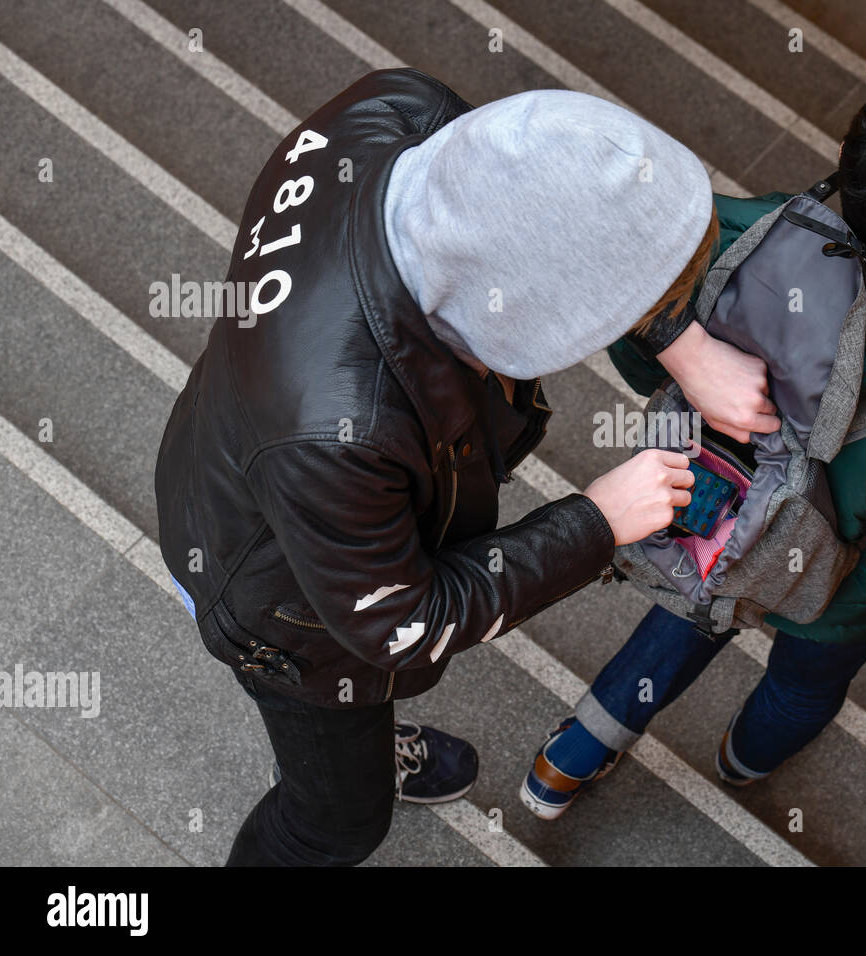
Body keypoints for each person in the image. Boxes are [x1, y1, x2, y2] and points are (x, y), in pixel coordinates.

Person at [153, 68, 776, 866]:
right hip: (281, 607)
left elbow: (547, 203)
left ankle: (359, 749)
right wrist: (597, 522)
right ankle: (349, 769)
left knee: (345, 746)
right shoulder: (340, 435)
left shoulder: (391, 111)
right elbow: (402, 625)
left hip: (236, 452)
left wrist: (684, 350)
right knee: (334, 823)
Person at [521, 39, 866, 818]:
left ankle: (569, 760)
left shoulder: (727, 237)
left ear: (848, 155)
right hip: (823, 603)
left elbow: (641, 355)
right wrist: (822, 572)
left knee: (694, 603)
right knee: (806, 680)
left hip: (701, 506)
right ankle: (741, 767)